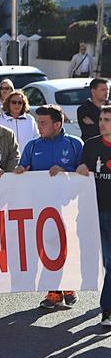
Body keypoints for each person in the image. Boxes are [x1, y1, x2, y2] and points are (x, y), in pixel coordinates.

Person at [14, 105, 84, 310]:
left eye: (43, 123)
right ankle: (53, 292)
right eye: (38, 122)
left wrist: (65, 170)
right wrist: (19, 170)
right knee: (48, 248)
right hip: (42, 208)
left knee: (68, 247)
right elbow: (23, 167)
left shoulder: (75, 144)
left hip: (69, 207)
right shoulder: (32, 146)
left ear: (57, 124)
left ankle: (69, 284)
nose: (39, 126)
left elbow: (84, 173)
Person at [75, 105, 111, 330]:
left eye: (107, 119)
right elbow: (82, 168)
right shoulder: (91, 145)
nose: (102, 123)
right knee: (108, 262)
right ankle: (107, 309)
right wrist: (80, 168)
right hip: (97, 211)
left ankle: (107, 308)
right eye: (101, 119)